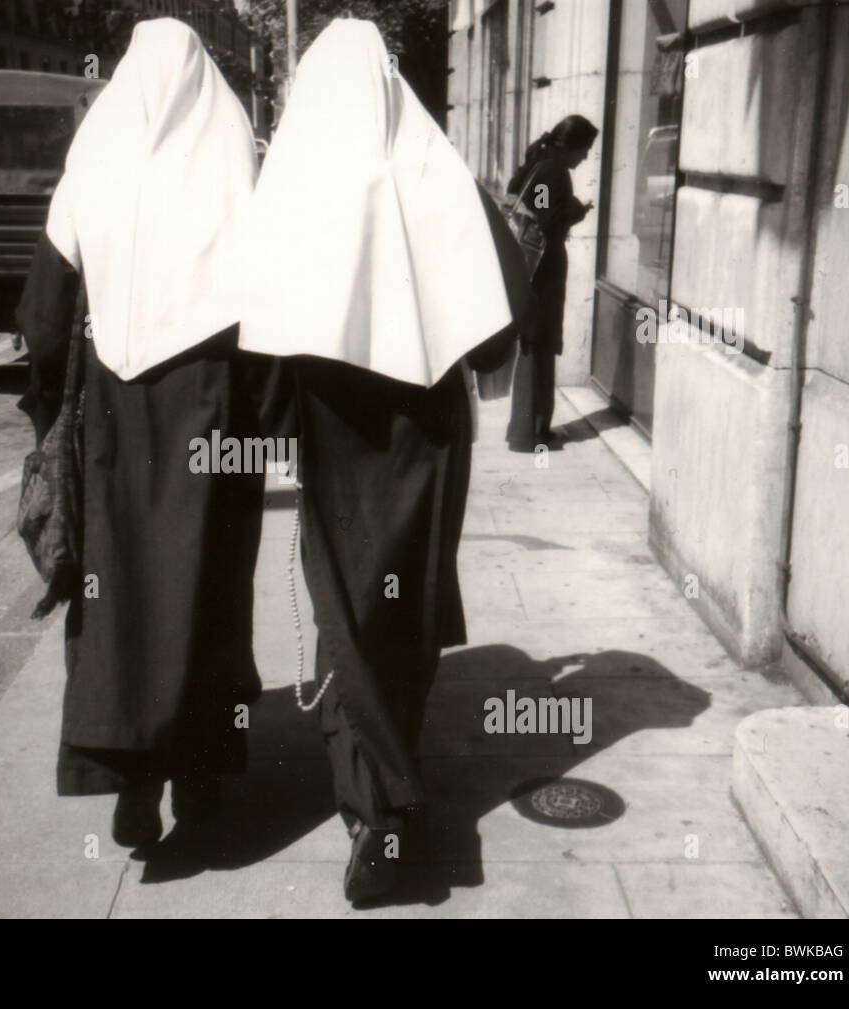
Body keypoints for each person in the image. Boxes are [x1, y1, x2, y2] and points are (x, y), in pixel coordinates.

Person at [238, 19, 529, 903]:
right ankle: (388, 803)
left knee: (346, 612)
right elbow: (501, 307)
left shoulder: (295, 178)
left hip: (338, 432)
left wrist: (267, 428)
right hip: (431, 433)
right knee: (405, 608)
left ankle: (384, 813)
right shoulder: (439, 170)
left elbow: (260, 333)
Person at [14, 18, 266, 848]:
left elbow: (43, 322)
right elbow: (268, 310)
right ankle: (199, 777)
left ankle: (129, 781)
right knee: (206, 589)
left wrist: (52, 402)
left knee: (116, 593)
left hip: (113, 424)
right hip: (212, 417)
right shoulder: (231, 152)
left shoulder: (99, 151)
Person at [504, 114, 598, 451]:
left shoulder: (542, 164)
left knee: (539, 342)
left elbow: (523, 195)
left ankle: (534, 427)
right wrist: (576, 210)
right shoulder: (551, 170)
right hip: (543, 269)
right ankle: (527, 431)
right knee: (538, 342)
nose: (585, 157)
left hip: (540, 267)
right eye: (584, 150)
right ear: (570, 146)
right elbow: (546, 215)